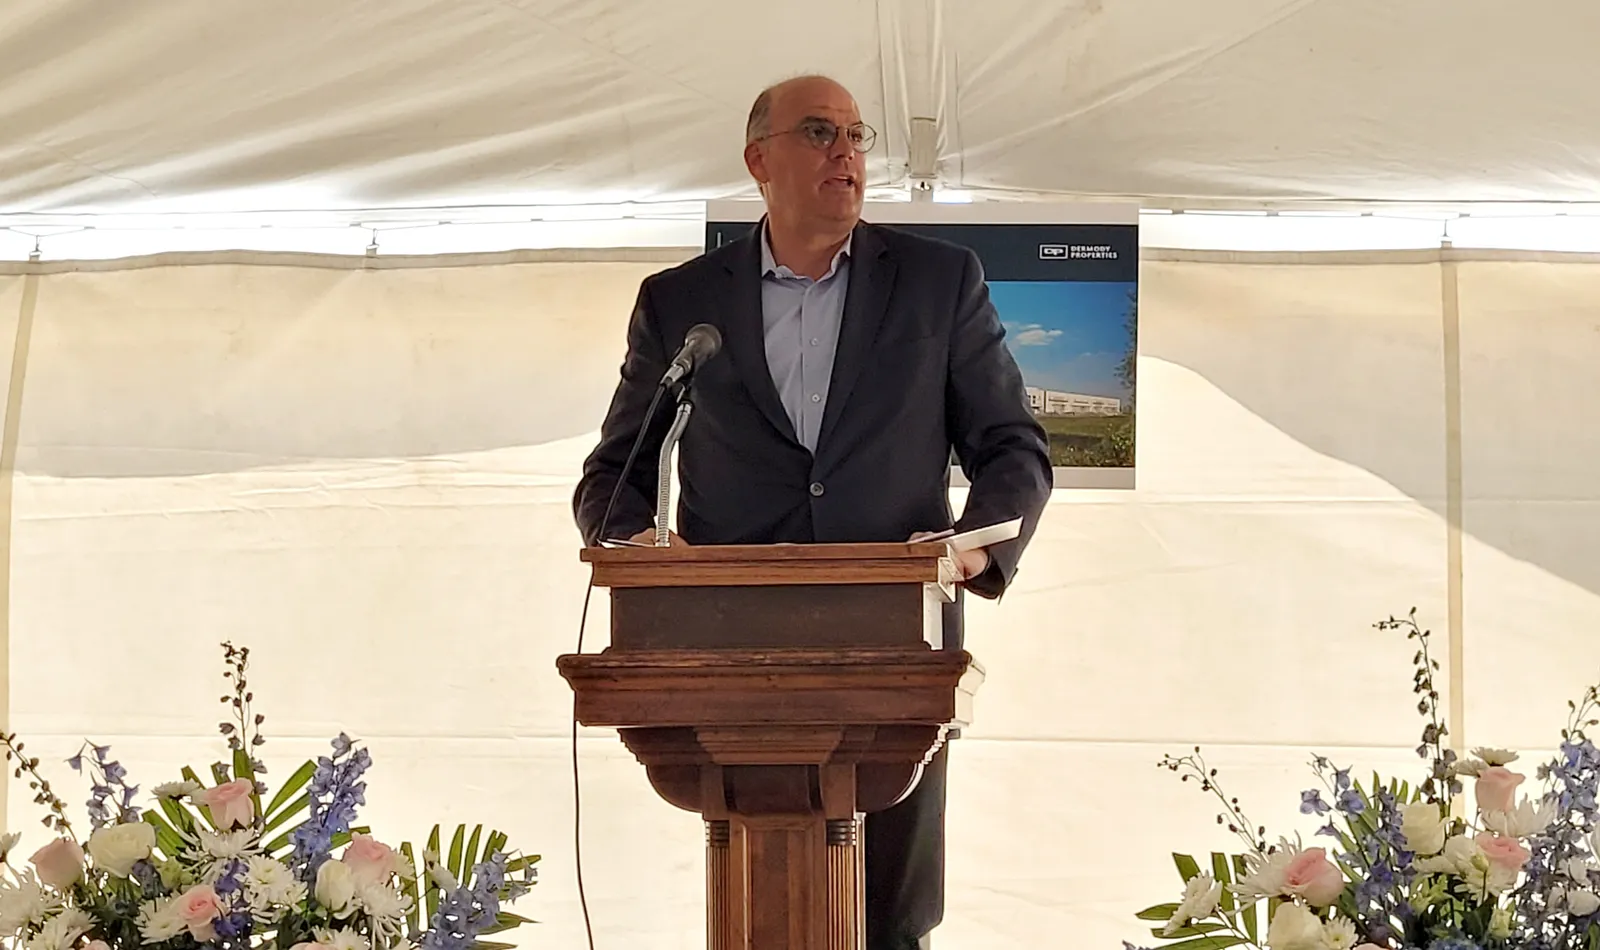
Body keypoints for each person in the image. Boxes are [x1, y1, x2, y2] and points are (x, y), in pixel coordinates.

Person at [572, 74, 1052, 950]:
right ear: (760, 160)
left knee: (893, 918)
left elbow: (1013, 449)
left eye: (858, 136)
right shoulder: (681, 302)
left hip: (896, 646)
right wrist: (636, 544)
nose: (847, 153)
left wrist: (972, 552)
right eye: (821, 132)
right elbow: (616, 472)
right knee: (762, 898)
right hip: (731, 658)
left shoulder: (939, 282)